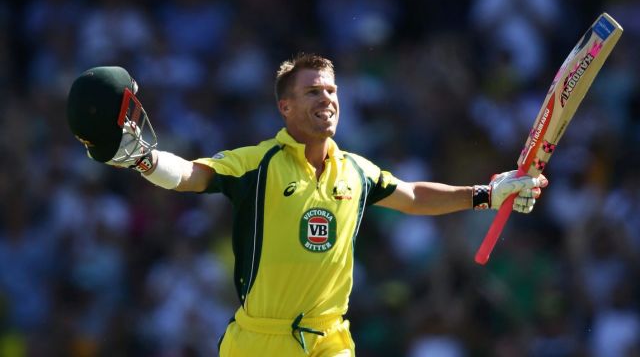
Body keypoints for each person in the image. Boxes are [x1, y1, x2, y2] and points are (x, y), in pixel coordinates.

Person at [66, 54, 548, 356]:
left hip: (329, 338)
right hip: (260, 341)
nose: (328, 99)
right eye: (313, 91)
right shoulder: (258, 164)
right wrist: (147, 160)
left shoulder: (357, 171)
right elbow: (194, 175)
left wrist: (487, 194)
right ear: (286, 108)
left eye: (332, 90)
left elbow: (414, 196)